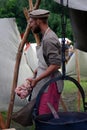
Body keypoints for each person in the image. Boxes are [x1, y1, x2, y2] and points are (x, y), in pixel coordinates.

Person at [15, 9, 63, 115]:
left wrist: (37, 80)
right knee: (41, 114)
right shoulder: (45, 36)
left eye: (31, 22)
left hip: (50, 84)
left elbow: (55, 65)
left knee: (46, 116)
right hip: (45, 82)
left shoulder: (49, 39)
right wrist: (37, 71)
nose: (30, 25)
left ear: (38, 21)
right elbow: (47, 62)